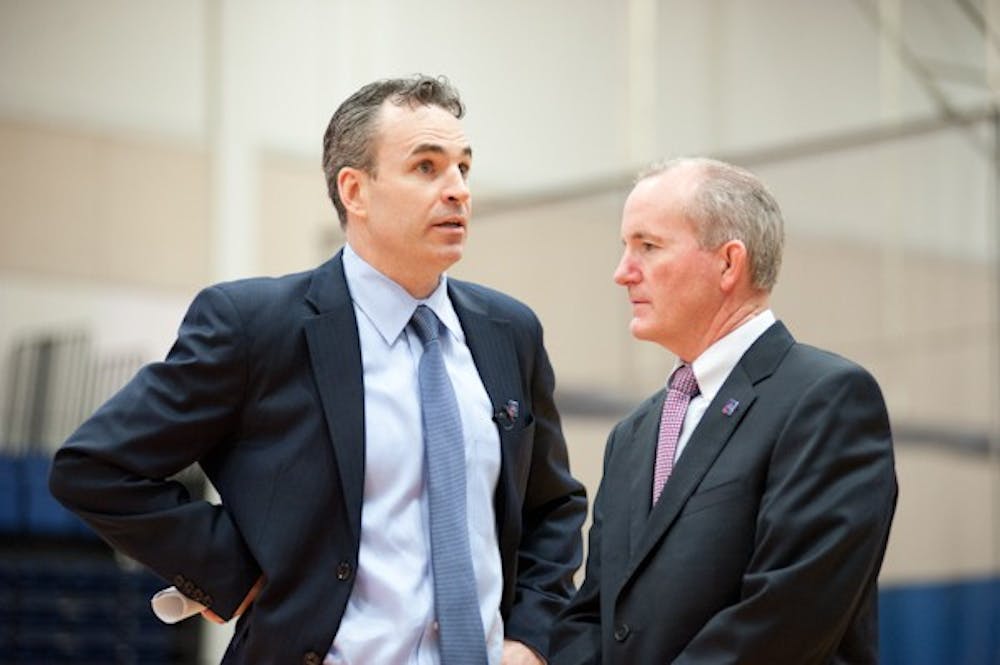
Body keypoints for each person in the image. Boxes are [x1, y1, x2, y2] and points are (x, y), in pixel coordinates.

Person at [49, 75, 586, 665]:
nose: (457, 189)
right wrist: (231, 571)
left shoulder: (510, 331)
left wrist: (531, 639)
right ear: (354, 190)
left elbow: (551, 508)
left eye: (463, 167)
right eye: (427, 168)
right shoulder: (256, 326)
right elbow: (96, 466)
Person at [549, 157, 897, 664]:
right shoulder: (633, 434)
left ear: (729, 263)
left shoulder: (827, 398)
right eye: (625, 247)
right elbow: (593, 615)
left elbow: (786, 617)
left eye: (647, 246)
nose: (622, 272)